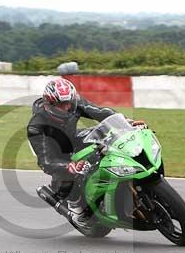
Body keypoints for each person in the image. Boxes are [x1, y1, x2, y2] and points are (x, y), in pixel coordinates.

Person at [27, 77, 142, 227]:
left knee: (103, 136)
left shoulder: (74, 104)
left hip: (72, 137)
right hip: (55, 153)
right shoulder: (36, 126)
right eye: (63, 104)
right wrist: (69, 166)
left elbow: (100, 112)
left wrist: (126, 122)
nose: (68, 107)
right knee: (69, 173)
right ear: (50, 105)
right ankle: (76, 209)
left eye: (70, 102)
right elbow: (46, 161)